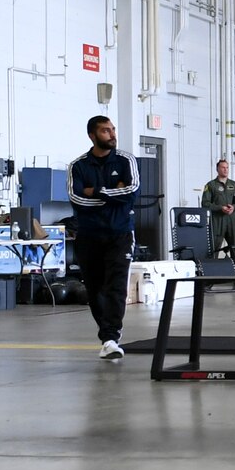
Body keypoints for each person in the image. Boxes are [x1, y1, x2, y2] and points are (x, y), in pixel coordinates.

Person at [68, 115, 140, 360]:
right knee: (95, 289)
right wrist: (112, 193)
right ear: (92, 135)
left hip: (120, 233)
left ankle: (110, 337)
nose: (111, 134)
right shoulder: (78, 166)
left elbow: (131, 192)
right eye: (105, 131)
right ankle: (106, 333)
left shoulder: (126, 160)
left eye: (112, 130)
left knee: (116, 286)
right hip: (89, 235)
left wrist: (96, 191)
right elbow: (77, 199)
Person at [200, 159, 235, 273]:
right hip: (217, 220)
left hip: (231, 220)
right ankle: (210, 277)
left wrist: (234, 207)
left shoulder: (233, 185)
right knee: (214, 248)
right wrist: (220, 208)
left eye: (227, 168)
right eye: (223, 167)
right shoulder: (211, 185)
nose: (225, 170)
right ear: (217, 169)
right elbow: (205, 203)